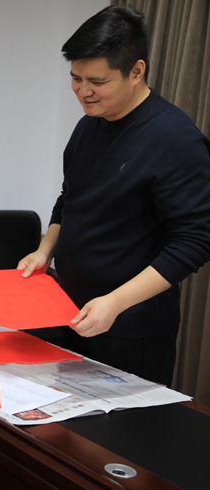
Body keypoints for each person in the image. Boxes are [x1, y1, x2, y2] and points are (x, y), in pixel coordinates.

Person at [18, 6, 210, 385]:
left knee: (125, 424)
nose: (83, 92)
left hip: (131, 327)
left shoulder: (175, 139)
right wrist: (45, 250)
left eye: (97, 81)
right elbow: (70, 197)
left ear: (136, 71)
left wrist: (116, 303)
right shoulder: (89, 125)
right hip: (73, 312)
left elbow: (195, 241)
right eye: (76, 79)